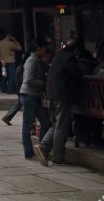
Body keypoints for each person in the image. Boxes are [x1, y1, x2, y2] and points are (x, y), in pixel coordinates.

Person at [34, 39, 83, 167]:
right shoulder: (70, 57)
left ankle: (43, 147)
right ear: (75, 50)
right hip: (63, 94)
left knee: (56, 124)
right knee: (61, 126)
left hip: (51, 94)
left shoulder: (58, 55)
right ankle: (58, 157)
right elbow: (77, 73)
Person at [19, 39, 52, 161]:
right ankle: (29, 152)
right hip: (29, 95)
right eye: (43, 48)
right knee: (27, 126)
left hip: (35, 95)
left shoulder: (38, 60)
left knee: (45, 122)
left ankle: (41, 149)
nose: (45, 50)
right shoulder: (32, 60)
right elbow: (29, 80)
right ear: (38, 48)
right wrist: (43, 83)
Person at [3, 47, 52, 126]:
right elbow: (28, 80)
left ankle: (8, 117)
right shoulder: (29, 64)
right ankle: (8, 116)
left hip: (25, 92)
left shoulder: (23, 67)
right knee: (27, 120)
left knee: (22, 107)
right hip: (26, 92)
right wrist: (42, 83)